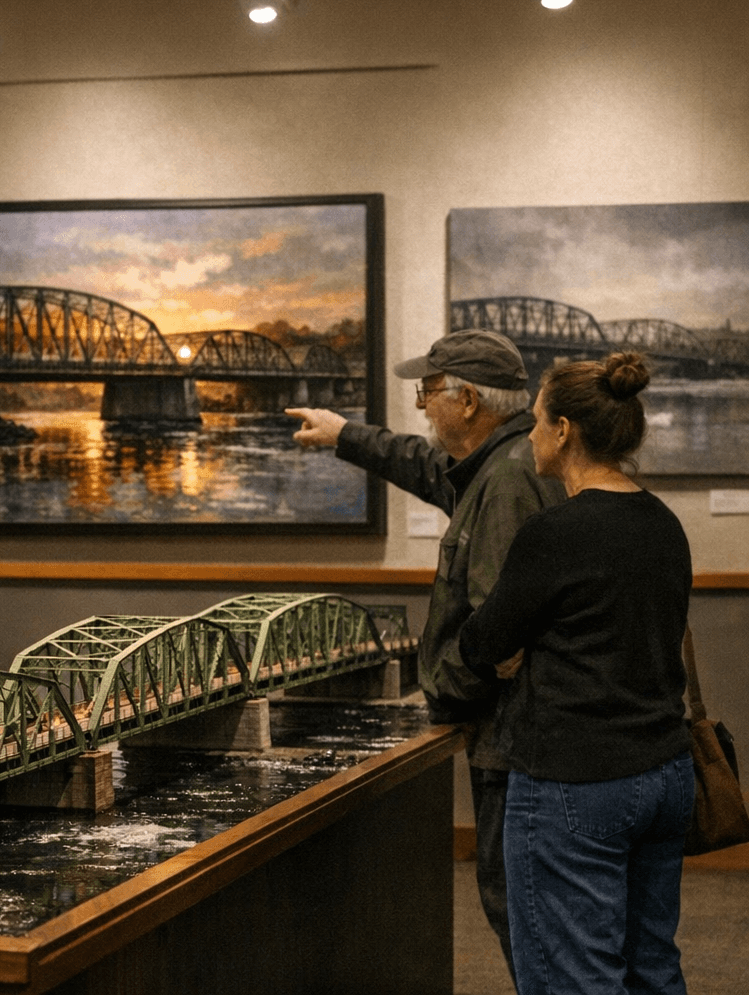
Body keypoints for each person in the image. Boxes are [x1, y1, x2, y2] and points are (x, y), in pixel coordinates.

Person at [287, 328, 565, 984]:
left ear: (467, 400)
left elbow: (501, 627)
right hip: (518, 736)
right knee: (536, 919)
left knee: (526, 918)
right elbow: (421, 462)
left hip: (513, 741)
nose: (420, 405)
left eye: (428, 391)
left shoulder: (508, 479)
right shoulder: (500, 463)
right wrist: (343, 434)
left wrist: (451, 696)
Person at [459, 353, 692, 995]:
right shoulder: (664, 523)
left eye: (535, 421)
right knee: (651, 968)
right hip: (665, 773)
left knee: (575, 979)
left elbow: (483, 642)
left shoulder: (553, 533)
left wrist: (521, 646)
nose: (529, 436)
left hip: (576, 779)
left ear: (563, 431)